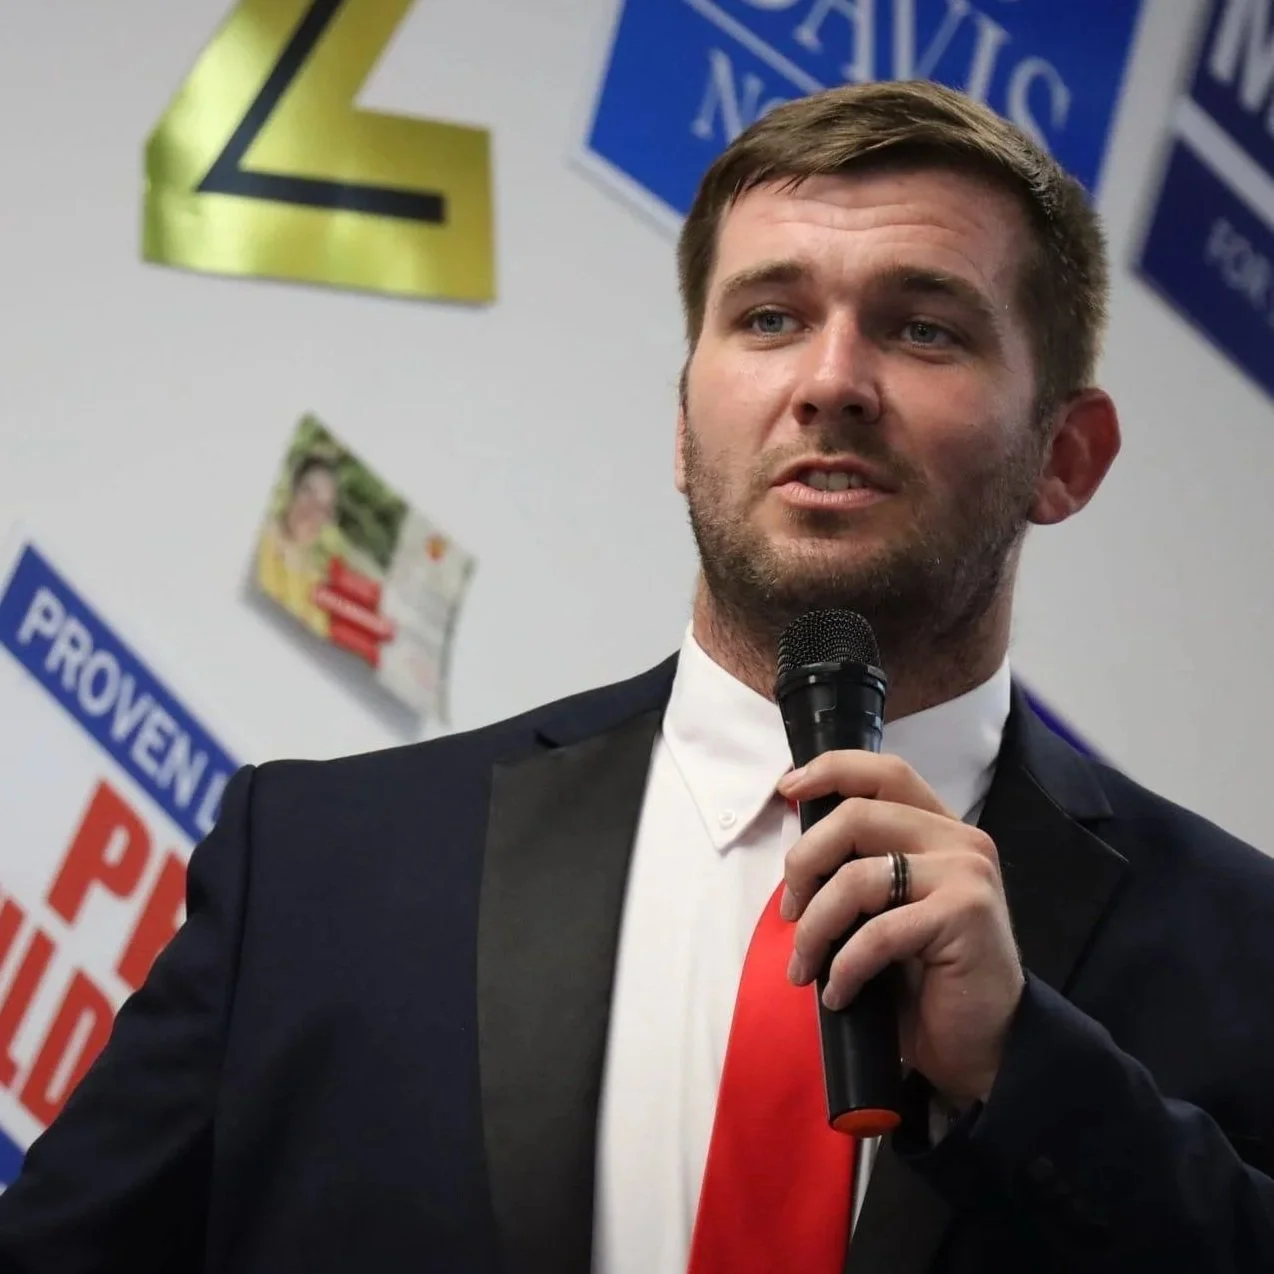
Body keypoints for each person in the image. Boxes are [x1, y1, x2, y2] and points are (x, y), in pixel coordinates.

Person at [0, 79, 1272, 1274]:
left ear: (1066, 456)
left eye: (921, 326)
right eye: (769, 317)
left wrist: (1022, 1068)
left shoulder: (1239, 948)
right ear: (681, 425)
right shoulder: (320, 868)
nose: (829, 381)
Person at [255, 452, 340, 638]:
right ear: (292, 489)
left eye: (324, 508)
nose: (313, 512)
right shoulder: (257, 541)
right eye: (308, 493)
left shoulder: (318, 588)